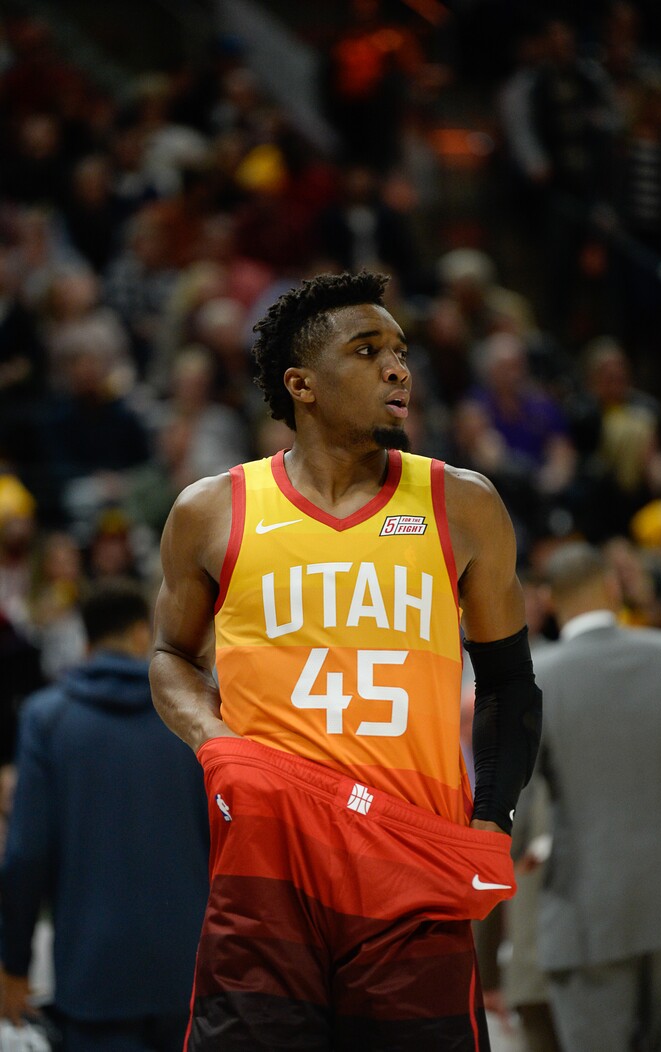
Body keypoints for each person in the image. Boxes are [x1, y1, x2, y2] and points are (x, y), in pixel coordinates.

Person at [149, 270, 542, 1051]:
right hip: (269, 867)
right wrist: (212, 740)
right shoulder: (211, 510)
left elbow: (508, 683)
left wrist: (492, 816)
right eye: (368, 352)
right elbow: (170, 655)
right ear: (303, 386)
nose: (398, 368)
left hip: (409, 868)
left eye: (400, 351)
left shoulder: (460, 503)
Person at [0, 578, 210, 1052]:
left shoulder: (47, 718)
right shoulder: (195, 717)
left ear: (87, 643)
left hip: (92, 978)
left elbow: (26, 854)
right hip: (188, 974)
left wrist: (13, 965)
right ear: (143, 633)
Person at [528, 541, 661, 1051]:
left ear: (549, 600)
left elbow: (510, 803)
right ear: (613, 586)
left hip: (587, 918)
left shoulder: (538, 679)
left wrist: (510, 861)